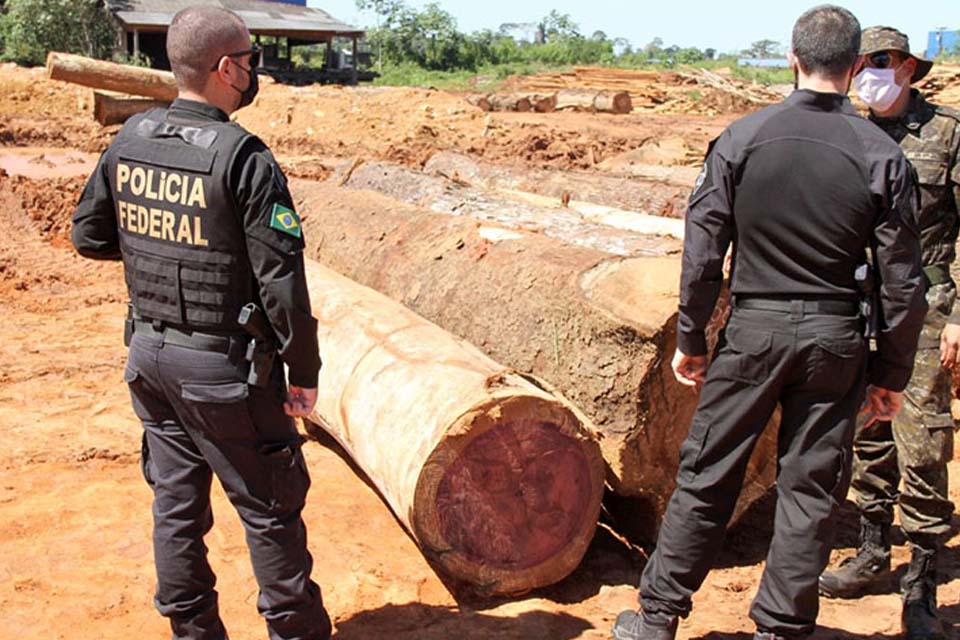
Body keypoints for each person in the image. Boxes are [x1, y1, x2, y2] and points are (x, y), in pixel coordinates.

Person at [611, 6, 927, 640]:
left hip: (754, 332)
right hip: (837, 340)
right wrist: (891, 373)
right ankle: (781, 627)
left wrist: (692, 338)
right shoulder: (881, 155)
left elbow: (703, 250)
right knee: (810, 488)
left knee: (709, 471)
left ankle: (657, 616)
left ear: (793, 58)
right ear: (856, 64)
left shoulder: (741, 139)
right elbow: (904, 281)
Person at [71, 7, 332, 640]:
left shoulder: (129, 138)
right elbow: (281, 284)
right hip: (224, 372)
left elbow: (88, 235)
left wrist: (159, 257)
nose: (254, 71)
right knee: (270, 511)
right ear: (225, 69)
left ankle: (192, 631)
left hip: (150, 359)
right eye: (250, 60)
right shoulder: (244, 158)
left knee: (177, 508)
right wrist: (303, 371)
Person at [819, 26, 960, 640]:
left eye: (879, 61)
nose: (867, 73)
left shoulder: (947, 133)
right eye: (860, 63)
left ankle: (922, 579)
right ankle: (873, 548)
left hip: (926, 308)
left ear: (906, 67)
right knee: (867, 431)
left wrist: (959, 315)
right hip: (859, 305)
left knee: (921, 434)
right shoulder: (845, 131)